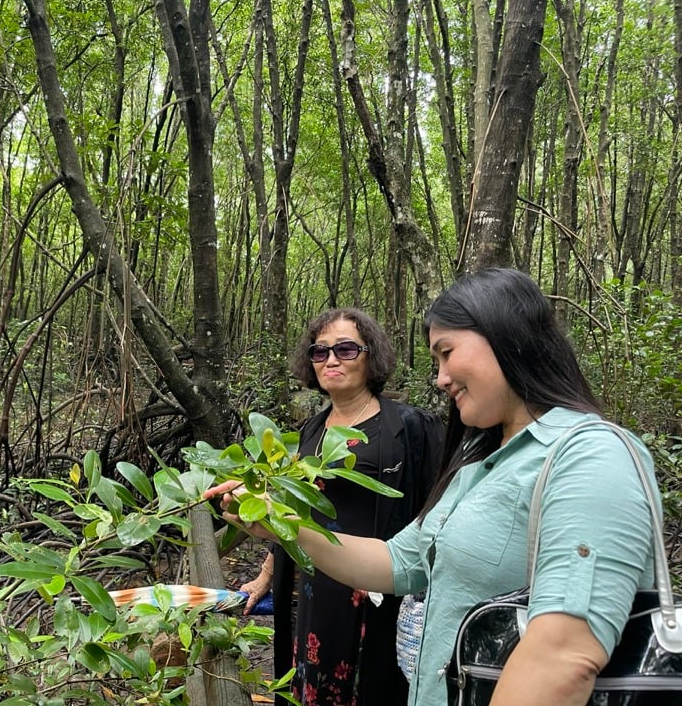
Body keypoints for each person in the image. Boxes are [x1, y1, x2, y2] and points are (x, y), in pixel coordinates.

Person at [207, 268, 659, 706]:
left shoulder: (590, 455)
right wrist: (277, 519)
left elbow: (565, 657)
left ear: (507, 338)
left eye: (447, 352)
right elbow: (396, 560)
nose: (440, 378)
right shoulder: (479, 465)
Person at [239, 308, 443, 706]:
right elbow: (292, 512)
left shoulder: (410, 427)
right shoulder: (310, 431)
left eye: (346, 349)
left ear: (371, 357)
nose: (332, 360)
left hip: (383, 592)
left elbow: (439, 510)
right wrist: (265, 576)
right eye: (320, 351)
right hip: (318, 594)